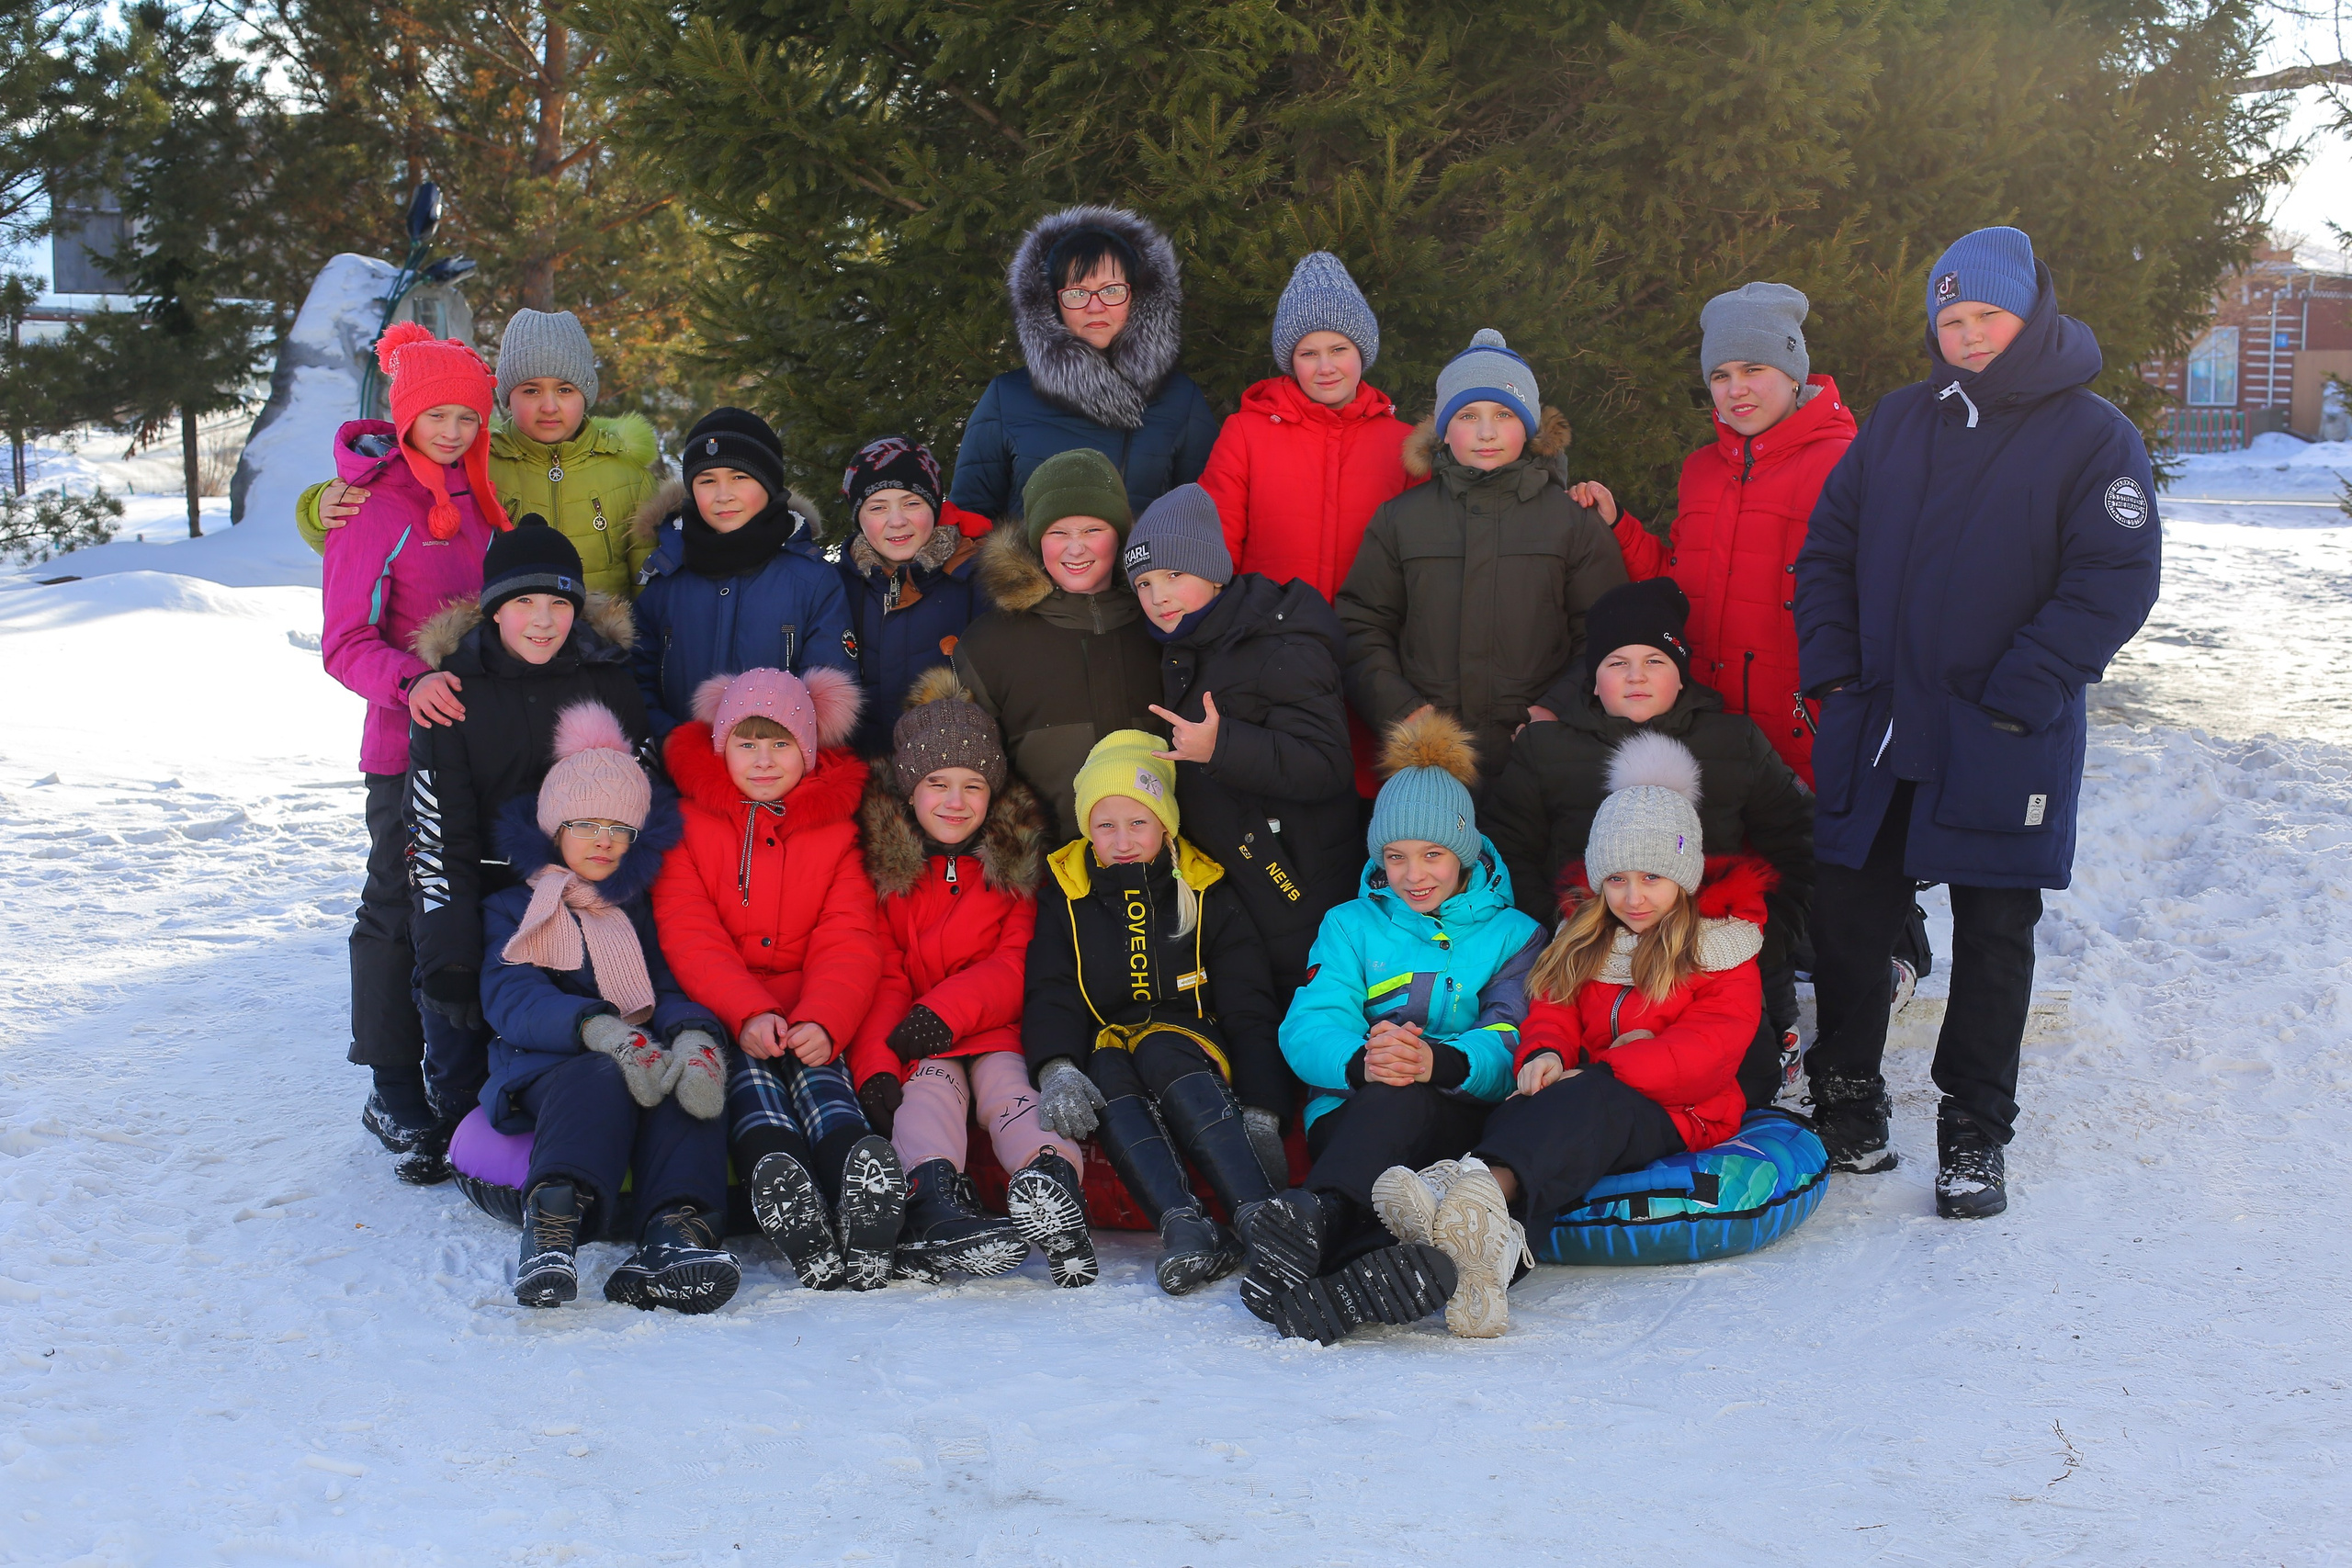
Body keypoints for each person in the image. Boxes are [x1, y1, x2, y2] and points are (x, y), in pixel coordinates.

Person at [1794, 226, 2160, 1215]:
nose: (1967, 335)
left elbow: (2113, 578)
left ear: (2028, 314)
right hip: (1881, 722)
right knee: (1849, 915)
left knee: (1995, 929)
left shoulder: (2091, 435)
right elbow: (1828, 547)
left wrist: (2019, 690)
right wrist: (1831, 672)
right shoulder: (1901, 422)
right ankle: (1847, 1099)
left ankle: (1973, 1131)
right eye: (1949, 319)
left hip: (2002, 730)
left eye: (1985, 316)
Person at [1387, 732, 1774, 1338]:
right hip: (1586, 1088)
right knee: (1529, 1103)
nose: (1634, 895)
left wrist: (1606, 1069)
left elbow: (1709, 1052)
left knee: (1589, 1105)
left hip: (1681, 1108)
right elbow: (1555, 1005)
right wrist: (1544, 1051)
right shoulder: (1587, 934)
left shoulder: (1719, 950)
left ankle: (1467, 1184)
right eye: (1617, 879)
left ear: (1684, 875)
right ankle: (1492, 1253)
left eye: (1652, 876)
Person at [1235, 710, 1545, 1345]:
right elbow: (1312, 1020)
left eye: (1433, 854)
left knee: (1419, 1110)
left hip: (1456, 1116)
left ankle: (1331, 1253)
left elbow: (1513, 1034)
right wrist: (1362, 1061)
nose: (1414, 875)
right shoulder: (1351, 923)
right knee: (1392, 1093)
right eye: (1397, 857)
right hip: (1354, 1118)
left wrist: (1438, 1061)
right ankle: (1328, 1223)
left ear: (1465, 852)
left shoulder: (1513, 934)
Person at [1484, 578, 1814, 1101]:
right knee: (1572, 1078)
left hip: (1704, 966)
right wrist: (1557, 935)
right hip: (1587, 964)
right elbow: (1509, 852)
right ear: (1592, 681)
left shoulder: (1733, 741)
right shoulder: (1546, 751)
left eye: (1655, 661)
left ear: (1681, 677)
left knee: (1745, 1083)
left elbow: (1795, 845)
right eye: (1617, 663)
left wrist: (1769, 942)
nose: (1636, 676)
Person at [320, 320, 512, 1181]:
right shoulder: (375, 505)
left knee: (467, 907)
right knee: (398, 906)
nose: (453, 430)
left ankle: (460, 1078)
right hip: (404, 748)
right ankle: (392, 1084)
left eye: (467, 417)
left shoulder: (485, 501)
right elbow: (345, 640)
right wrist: (410, 682)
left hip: (480, 749)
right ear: (404, 416)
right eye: (436, 415)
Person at [404, 521, 648, 1180]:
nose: (543, 621)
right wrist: (448, 957)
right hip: (483, 885)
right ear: (493, 609)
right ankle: (452, 1109)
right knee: (455, 987)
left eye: (559, 604)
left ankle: (607, 1105)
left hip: (588, 882)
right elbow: (437, 839)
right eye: (523, 604)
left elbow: (641, 802)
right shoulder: (454, 693)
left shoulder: (610, 682)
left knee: (583, 1004)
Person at [652, 665, 908, 1289]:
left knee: (825, 1084)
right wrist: (744, 1010)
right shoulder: (688, 826)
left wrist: (825, 1016)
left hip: (812, 1003)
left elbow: (848, 934)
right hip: (729, 1008)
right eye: (747, 743)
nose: (763, 760)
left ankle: (858, 1185)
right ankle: (786, 1190)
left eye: (780, 744)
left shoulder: (837, 829)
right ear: (721, 747)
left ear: (808, 749)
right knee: (753, 1089)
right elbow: (690, 932)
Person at [479, 702, 739, 1313]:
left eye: (619, 828)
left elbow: (675, 979)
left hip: (646, 1049)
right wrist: (598, 1028)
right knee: (602, 1076)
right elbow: (511, 995)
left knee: (687, 1083)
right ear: (553, 829)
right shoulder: (514, 907)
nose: (603, 839)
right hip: (548, 1063)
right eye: (586, 823)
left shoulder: (644, 907)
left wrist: (694, 1036)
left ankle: (674, 1231)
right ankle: (552, 1225)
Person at [846, 670, 1097, 1286]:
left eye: (972, 785)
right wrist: (877, 1062)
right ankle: (933, 1200)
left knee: (1012, 1094)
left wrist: (947, 1012)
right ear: (909, 790)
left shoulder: (1015, 866)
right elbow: (881, 970)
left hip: (997, 1026)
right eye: (937, 784)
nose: (955, 801)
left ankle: (1051, 1185)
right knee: (927, 1095)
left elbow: (1018, 961)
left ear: (993, 794)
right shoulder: (886, 874)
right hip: (917, 1037)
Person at [1023, 732, 1284, 1295]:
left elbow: (1248, 1001)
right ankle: (1184, 1224)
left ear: (1165, 824)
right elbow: (1052, 989)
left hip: (1192, 1040)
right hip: (1107, 1043)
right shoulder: (1067, 890)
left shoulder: (1203, 885)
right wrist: (1057, 1067)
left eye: (1138, 823)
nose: (1122, 841)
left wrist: (1262, 1109)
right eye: (1105, 825)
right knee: (1107, 1073)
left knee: (1159, 1046)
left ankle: (1258, 1214)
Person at [1568, 283, 1856, 785]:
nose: (1735, 389)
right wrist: (1619, 527)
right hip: (1706, 735)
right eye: (1720, 375)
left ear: (1793, 373)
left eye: (1753, 369)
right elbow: (1678, 588)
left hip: (1806, 746)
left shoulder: (1848, 465)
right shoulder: (1702, 470)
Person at [1336, 329, 1626, 783]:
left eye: (1504, 414)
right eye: (1468, 414)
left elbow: (1609, 634)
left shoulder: (1572, 522)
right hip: (1429, 763)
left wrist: (1554, 711)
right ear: (1444, 430)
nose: (1486, 432)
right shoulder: (1401, 520)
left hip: (1540, 758)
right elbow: (1361, 625)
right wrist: (1403, 710)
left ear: (1529, 427)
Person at [1123, 482, 1359, 1035]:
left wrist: (1221, 746)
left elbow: (1327, 763)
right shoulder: (1187, 645)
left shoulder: (1279, 643)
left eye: (1175, 575)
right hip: (1240, 884)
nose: (1160, 597)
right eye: (1145, 584)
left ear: (1214, 572)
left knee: (1312, 1026)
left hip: (1296, 882)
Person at [298, 308, 665, 600]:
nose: (549, 406)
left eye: (565, 390)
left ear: (586, 394)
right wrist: (318, 510)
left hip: (602, 663)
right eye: (531, 390)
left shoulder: (627, 474)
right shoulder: (471, 463)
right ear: (506, 398)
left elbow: (648, 583)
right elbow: (391, 521)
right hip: (505, 662)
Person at [949, 203, 1219, 524]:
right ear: (1052, 303)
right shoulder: (1006, 398)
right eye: (1077, 293)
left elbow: (1203, 522)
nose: (1095, 307)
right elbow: (969, 524)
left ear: (1140, 297)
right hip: (1034, 574)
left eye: (1112, 290)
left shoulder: (1180, 399)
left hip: (1141, 574)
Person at [953, 447, 1166, 841]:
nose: (1076, 548)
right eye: (1058, 533)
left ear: (1119, 537)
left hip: (1168, 861)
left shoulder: (1162, 621)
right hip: (1048, 867)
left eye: (1092, 530)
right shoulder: (990, 643)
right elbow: (964, 771)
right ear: (1037, 541)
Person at [1198, 251, 1416, 600]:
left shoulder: (1405, 444)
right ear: (1291, 361)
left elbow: (1421, 556)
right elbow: (1214, 542)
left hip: (1369, 639)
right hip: (1268, 634)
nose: (1325, 367)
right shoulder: (1245, 433)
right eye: (1308, 354)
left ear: (1362, 352)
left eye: (1339, 349)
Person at [630, 406, 854, 738]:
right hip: (681, 773)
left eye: (739, 477)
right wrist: (674, 746)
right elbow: (637, 682)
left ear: (768, 483)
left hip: (778, 775)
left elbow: (830, 698)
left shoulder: (812, 580)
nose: (723, 495)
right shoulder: (666, 577)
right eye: (707, 481)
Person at [833, 434, 991, 757]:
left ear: (934, 507)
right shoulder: (836, 587)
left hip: (952, 782)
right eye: (878, 507)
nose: (897, 521)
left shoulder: (977, 581)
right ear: (859, 518)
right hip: (863, 777)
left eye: (911, 503)